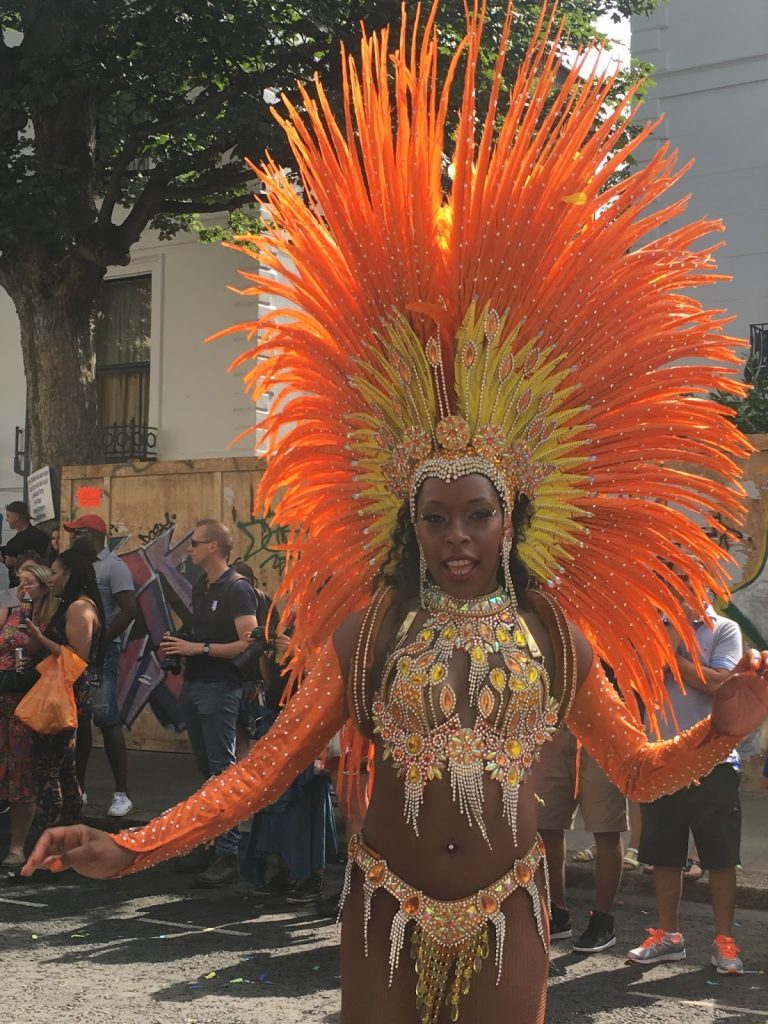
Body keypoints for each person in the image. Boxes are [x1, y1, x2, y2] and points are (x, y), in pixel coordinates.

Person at [20, 8, 768, 1023]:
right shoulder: (365, 633)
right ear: (406, 520)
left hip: (510, 911)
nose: (457, 538)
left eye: (475, 516)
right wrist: (136, 845)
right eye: (437, 518)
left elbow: (636, 764)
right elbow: (262, 770)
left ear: (512, 520)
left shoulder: (554, 631)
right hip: (380, 908)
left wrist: (716, 733)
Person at [627, 592, 745, 974]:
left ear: (706, 589)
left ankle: (724, 942)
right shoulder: (654, 628)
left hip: (714, 760)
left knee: (721, 857)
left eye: (688, 582)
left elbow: (723, 685)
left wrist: (673, 659)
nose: (679, 592)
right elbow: (637, 682)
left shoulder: (725, 629)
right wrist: (662, 648)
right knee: (664, 855)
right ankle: (668, 936)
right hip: (660, 757)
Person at [159, 520, 260, 888]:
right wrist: (182, 642)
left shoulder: (236, 588)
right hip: (196, 684)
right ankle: (211, 841)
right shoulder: (203, 587)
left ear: (214, 547)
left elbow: (249, 642)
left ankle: (228, 852)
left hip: (220, 687)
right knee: (208, 771)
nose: (190, 550)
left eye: (196, 544)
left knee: (223, 772)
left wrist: (197, 648)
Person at [23, 549, 105, 830]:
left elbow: (76, 660)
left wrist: (41, 639)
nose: (53, 578)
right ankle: (68, 832)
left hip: (64, 696)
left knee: (48, 768)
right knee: (64, 768)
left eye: (56, 573)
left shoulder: (79, 608)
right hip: (61, 694)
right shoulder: (70, 605)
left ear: (69, 573)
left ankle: (52, 833)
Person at [63, 515, 138, 817]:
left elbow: (130, 608)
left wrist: (102, 640)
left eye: (78, 532)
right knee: (79, 724)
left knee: (107, 720)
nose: (72, 537)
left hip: (102, 654)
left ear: (95, 535)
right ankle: (77, 789)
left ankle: (122, 793)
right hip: (74, 653)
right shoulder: (76, 565)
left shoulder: (113, 567)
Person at [536, 716, 628, 953]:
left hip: (602, 726)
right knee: (545, 825)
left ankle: (602, 921)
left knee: (605, 828)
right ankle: (558, 912)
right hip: (553, 725)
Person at [0, 562, 56, 875]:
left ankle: (17, 846)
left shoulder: (47, 616)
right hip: (3, 695)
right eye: (20, 582)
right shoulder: (11, 611)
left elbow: (40, 651)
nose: (23, 588)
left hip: (28, 701)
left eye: (30, 582)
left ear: (45, 586)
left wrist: (30, 619)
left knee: (21, 770)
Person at [0, 502, 48, 587]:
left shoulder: (38, 537)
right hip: (16, 587)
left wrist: (16, 562)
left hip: (31, 587)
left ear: (16, 516)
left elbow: (41, 563)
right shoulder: (13, 542)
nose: (7, 520)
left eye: (8, 516)